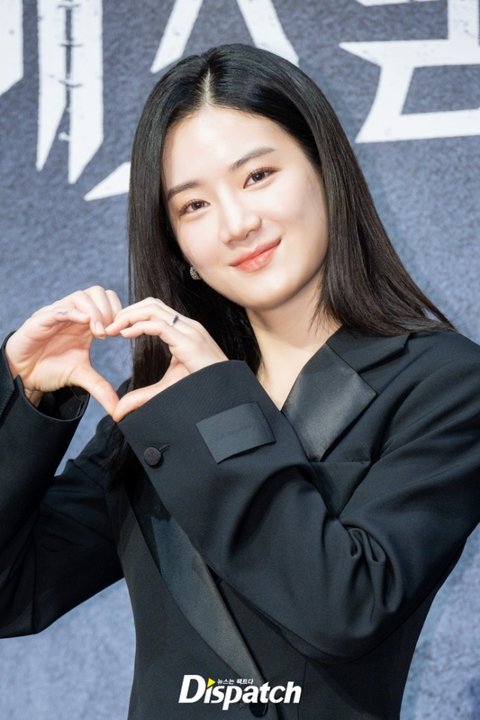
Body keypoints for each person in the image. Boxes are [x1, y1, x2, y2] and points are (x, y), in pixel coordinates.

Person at [0, 43, 479, 720]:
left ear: (325, 170)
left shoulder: (444, 382)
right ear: (178, 248)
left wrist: (217, 404)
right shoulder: (160, 404)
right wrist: (30, 400)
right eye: (193, 205)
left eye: (257, 176)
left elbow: (345, 609)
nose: (236, 224)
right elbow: (12, 595)